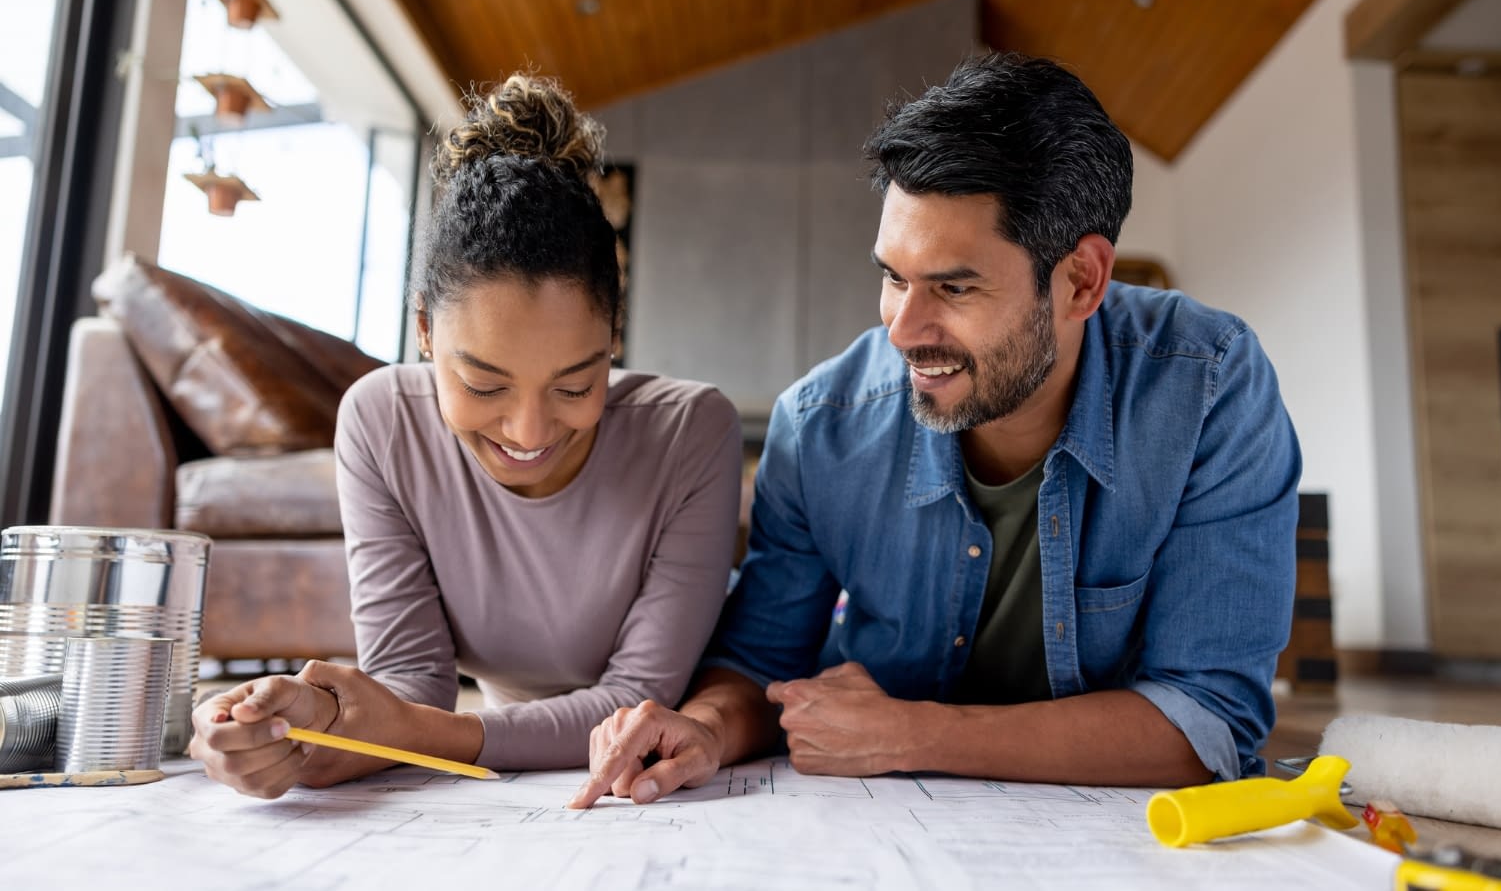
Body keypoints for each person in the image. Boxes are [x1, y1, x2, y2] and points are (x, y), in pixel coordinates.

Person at [570, 52, 1301, 809]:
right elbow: (759, 663)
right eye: (893, 277)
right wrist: (709, 729)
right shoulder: (821, 427)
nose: (903, 329)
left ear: (1081, 280)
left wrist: (916, 734)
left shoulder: (1209, 387)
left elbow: (1211, 720)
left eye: (953, 287)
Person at [188, 74, 742, 799]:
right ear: (423, 331)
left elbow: (638, 697)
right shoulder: (382, 421)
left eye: (576, 386)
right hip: (511, 761)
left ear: (613, 336)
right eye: (484, 386)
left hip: (666, 757)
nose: (530, 430)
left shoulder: (690, 431)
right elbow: (411, 682)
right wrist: (297, 725)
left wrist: (413, 733)